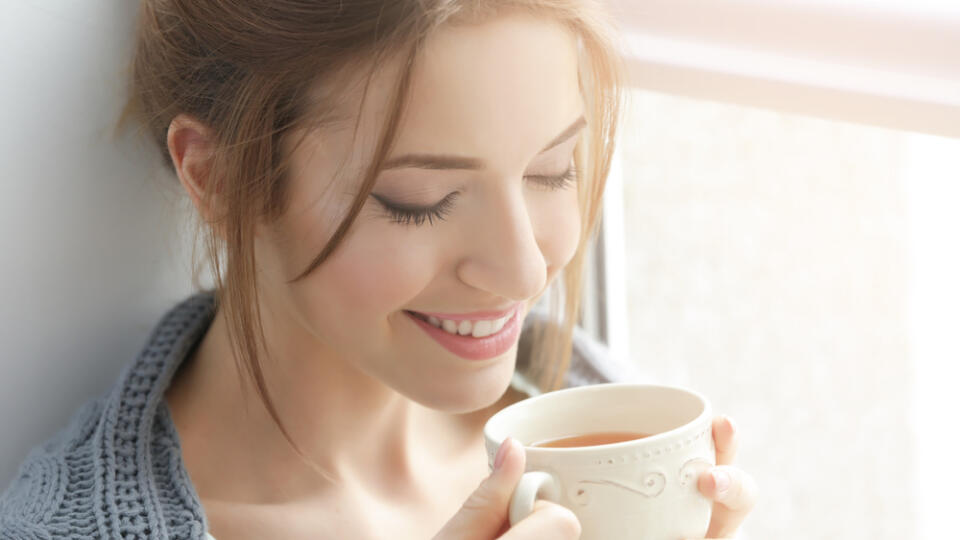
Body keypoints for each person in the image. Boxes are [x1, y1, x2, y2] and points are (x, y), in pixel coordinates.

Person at [0, 1, 757, 538]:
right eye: (421, 201)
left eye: (552, 171)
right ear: (219, 176)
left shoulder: (589, 409)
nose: (526, 270)